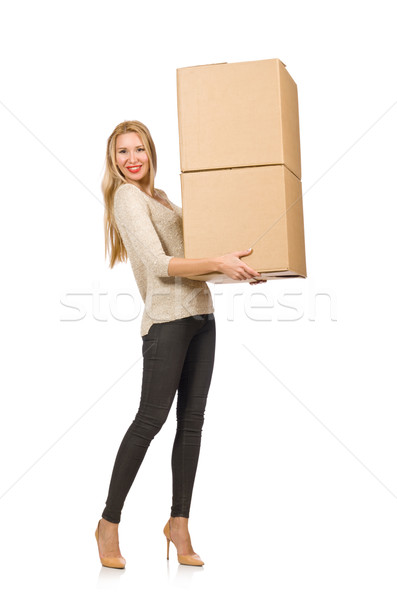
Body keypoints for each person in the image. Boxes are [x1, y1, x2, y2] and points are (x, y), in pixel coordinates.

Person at [94, 120, 266, 569]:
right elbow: (160, 264)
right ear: (113, 160)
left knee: (192, 423)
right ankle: (108, 523)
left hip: (201, 317)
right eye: (122, 152)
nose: (132, 159)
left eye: (140, 150)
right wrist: (217, 262)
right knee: (150, 419)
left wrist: (243, 267)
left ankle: (179, 523)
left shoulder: (162, 198)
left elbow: (198, 262)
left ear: (151, 153)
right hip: (167, 321)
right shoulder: (126, 198)